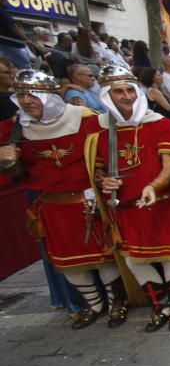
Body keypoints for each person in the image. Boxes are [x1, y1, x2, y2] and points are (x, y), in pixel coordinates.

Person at [0, 69, 123, 328]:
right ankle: (93, 305)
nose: (26, 102)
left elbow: (109, 153)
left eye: (33, 95)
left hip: (88, 202)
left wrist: (104, 181)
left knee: (103, 258)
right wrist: (7, 161)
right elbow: (15, 174)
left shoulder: (86, 120)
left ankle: (116, 303)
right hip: (52, 206)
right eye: (21, 96)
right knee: (70, 263)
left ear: (49, 96)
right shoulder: (15, 129)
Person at [88, 65, 170, 331]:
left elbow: (169, 165)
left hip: (160, 203)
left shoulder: (159, 124)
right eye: (118, 92)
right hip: (124, 207)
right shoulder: (100, 130)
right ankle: (159, 306)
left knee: (169, 256)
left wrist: (154, 186)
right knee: (134, 260)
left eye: (129, 90)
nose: (126, 96)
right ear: (107, 95)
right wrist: (103, 180)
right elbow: (97, 169)